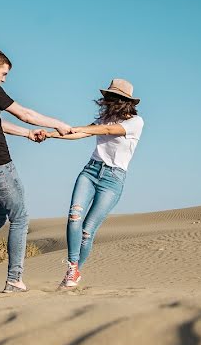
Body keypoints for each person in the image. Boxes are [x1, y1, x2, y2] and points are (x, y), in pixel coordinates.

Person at [0, 48, 72, 293]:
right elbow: (25, 114)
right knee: (20, 218)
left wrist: (27, 134)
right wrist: (58, 124)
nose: (4, 79)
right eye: (3, 73)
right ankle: (14, 280)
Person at [47, 79, 144, 290]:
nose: (107, 101)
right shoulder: (104, 119)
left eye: (112, 98)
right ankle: (72, 267)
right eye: (107, 97)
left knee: (87, 231)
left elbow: (107, 132)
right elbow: (80, 134)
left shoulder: (135, 122)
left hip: (113, 179)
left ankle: (74, 273)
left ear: (124, 101)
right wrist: (50, 134)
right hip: (90, 171)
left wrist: (81, 128)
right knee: (74, 215)